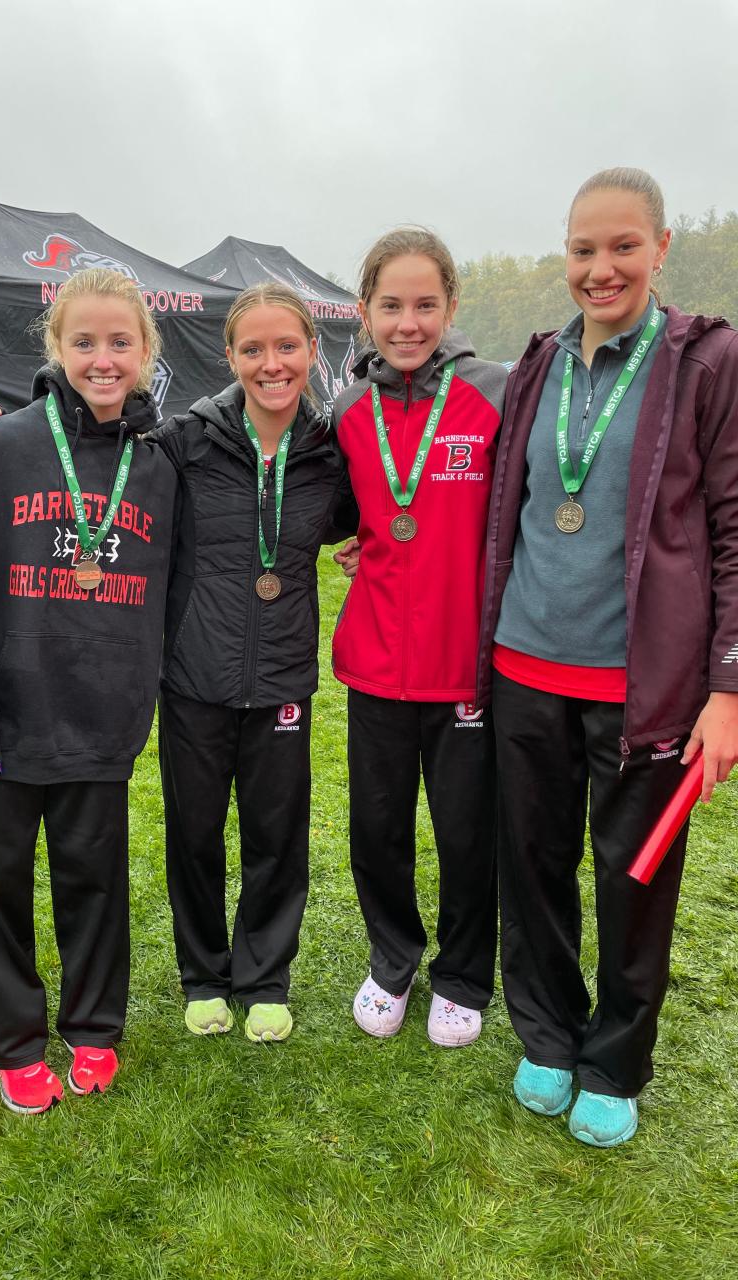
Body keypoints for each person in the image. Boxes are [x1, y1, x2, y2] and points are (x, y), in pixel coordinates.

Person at [0, 283, 356, 1045]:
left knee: (278, 836)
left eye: (287, 347)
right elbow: (90, 451)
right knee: (196, 834)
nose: (271, 364)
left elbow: (363, 516)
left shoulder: (331, 455)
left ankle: (265, 977)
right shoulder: (185, 440)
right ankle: (204, 976)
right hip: (192, 676)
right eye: (252, 349)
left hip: (281, 678)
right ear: (229, 355)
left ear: (313, 351)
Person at [478, 167, 738, 1146]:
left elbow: (733, 525)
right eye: (584, 249)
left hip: (646, 687)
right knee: (533, 869)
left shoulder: (706, 361)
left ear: (661, 248)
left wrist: (730, 685)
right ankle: (546, 1035)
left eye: (623, 245)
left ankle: (616, 1059)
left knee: (633, 882)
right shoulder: (539, 363)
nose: (601, 267)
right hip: (523, 670)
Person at [0, 269, 177, 1115]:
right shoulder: (6, 446)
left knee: (93, 881)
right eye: (85, 342)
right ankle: (13, 1041)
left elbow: (177, 593)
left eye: (120, 342)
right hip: (2, 724)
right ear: (56, 348)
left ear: (146, 351)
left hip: (100, 722)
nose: (103, 359)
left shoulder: (161, 464)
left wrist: (141, 701)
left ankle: (94, 1027)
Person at [331, 228, 507, 1047]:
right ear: (364, 311)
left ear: (451, 307)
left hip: (465, 666)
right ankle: (392, 959)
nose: (408, 322)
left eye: (425, 304)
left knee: (468, 832)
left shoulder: (495, 395)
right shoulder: (345, 412)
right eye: (391, 306)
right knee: (378, 827)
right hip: (374, 664)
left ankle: (465, 975)